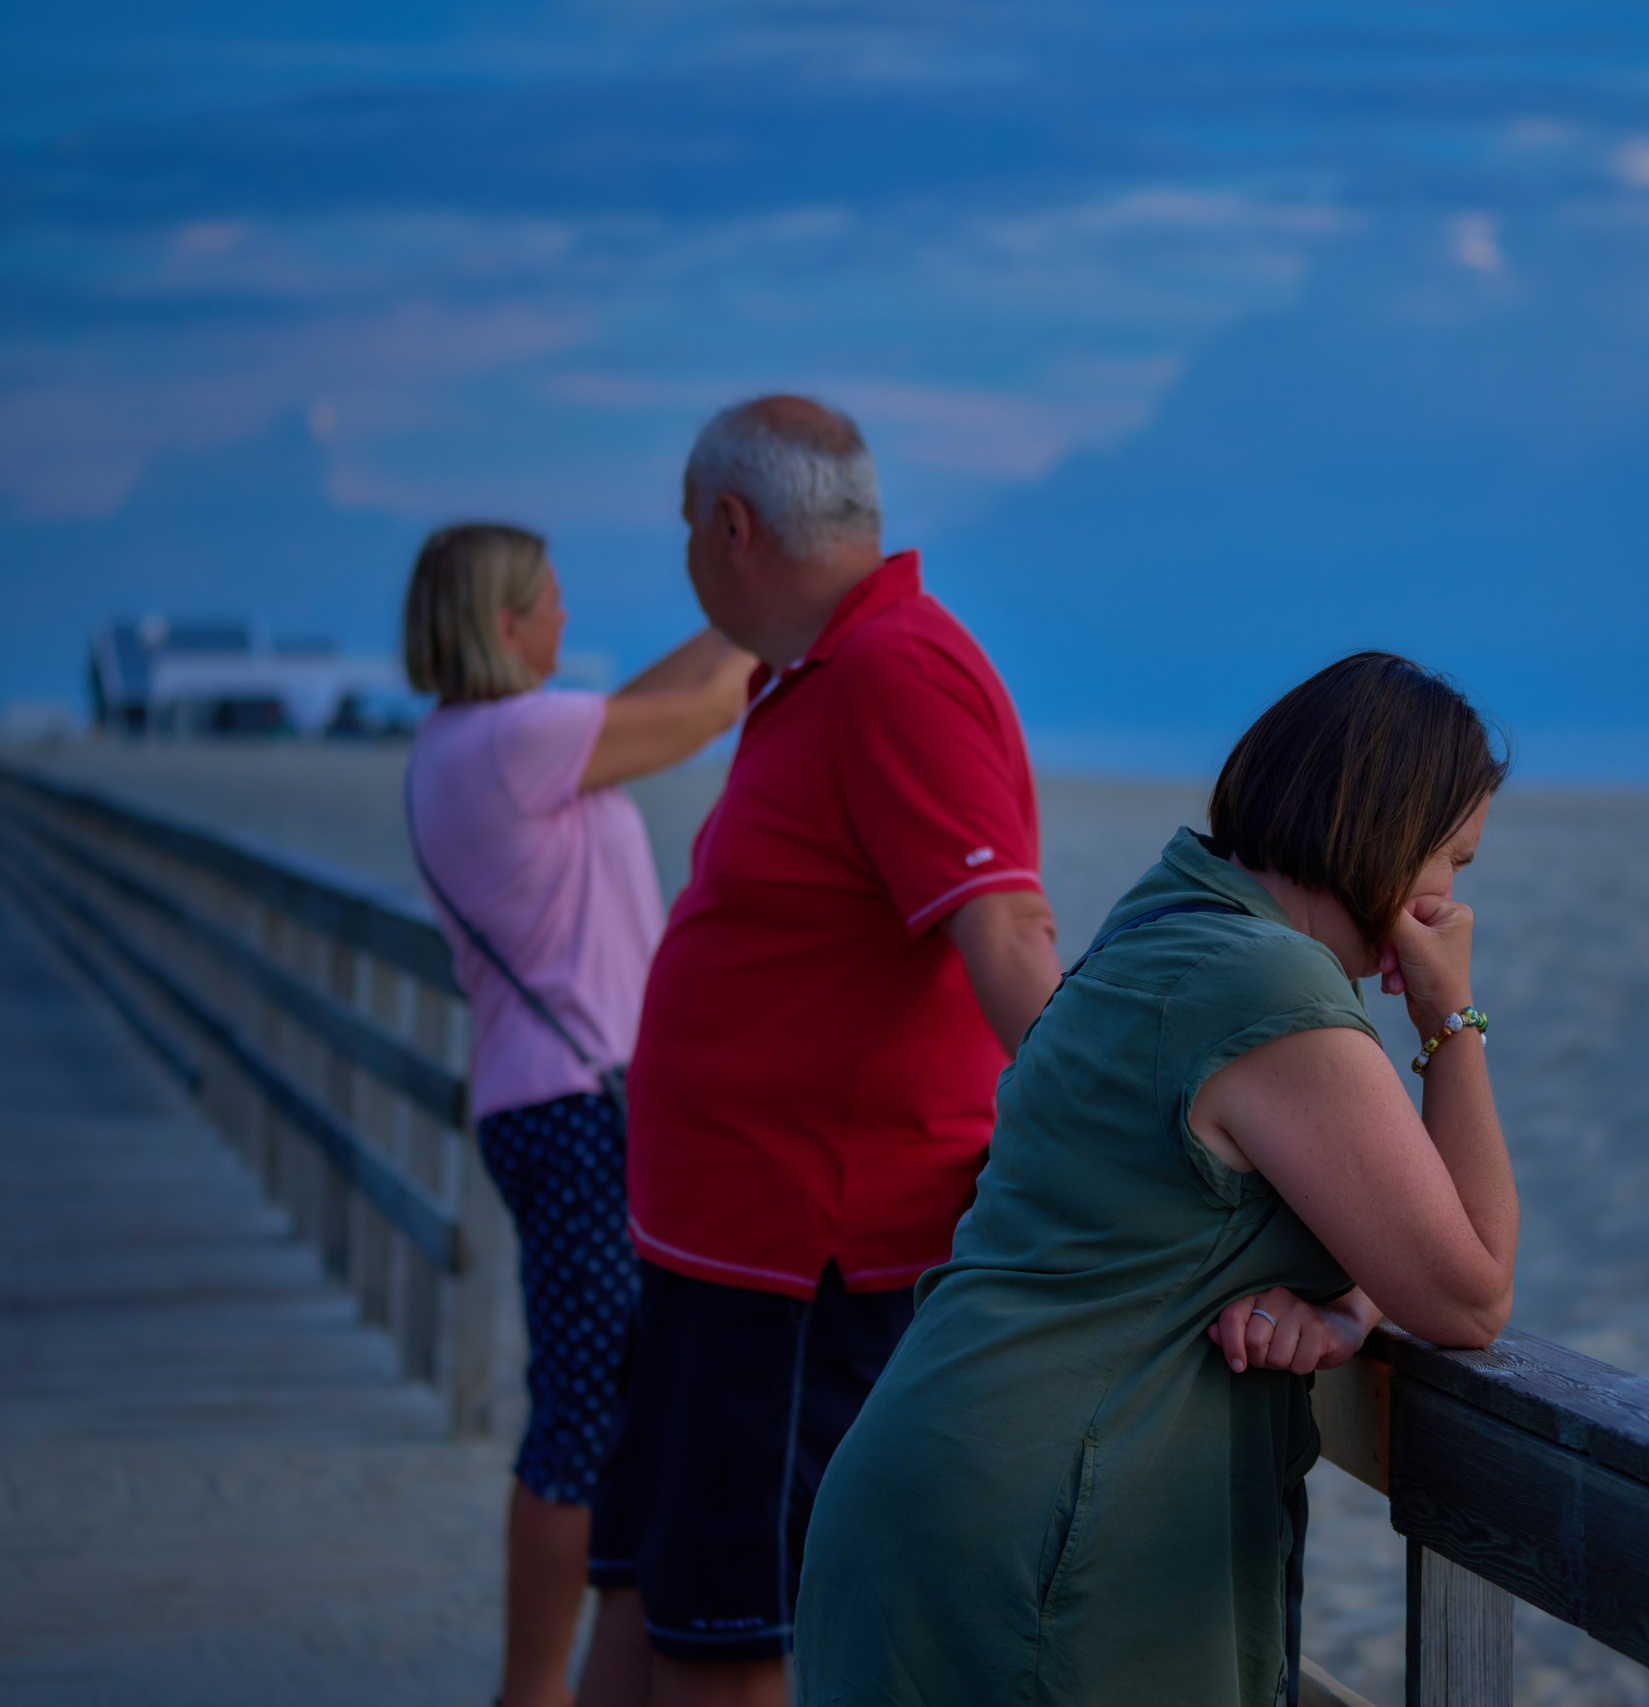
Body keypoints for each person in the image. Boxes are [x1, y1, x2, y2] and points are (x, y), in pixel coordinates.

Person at [794, 651, 1518, 1707]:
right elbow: (1470, 1292)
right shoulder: (1268, 989)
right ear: (1387, 830)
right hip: (1036, 1531)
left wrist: (1350, 1301)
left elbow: (1245, 1218)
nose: (1452, 897)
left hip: (933, 1479)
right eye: (1453, 858)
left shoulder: (1162, 926)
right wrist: (1450, 1022)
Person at [601, 396, 1063, 1707]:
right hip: (717, 1244)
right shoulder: (818, 668)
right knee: (652, 1583)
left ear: (734, 526)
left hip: (799, 1261)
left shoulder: (896, 669)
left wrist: (1133, 1141)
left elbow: (1011, 933)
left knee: (732, 1632)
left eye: (692, 528)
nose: (689, 553)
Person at [400, 523, 755, 1707]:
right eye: (548, 603)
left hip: (542, 1106)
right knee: (578, 1412)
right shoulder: (519, 741)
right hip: (576, 1115)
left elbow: (649, 694)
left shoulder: (465, 741)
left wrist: (755, 594)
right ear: (505, 625)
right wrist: (801, 608)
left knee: (596, 1395)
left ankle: (563, 1674)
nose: (565, 618)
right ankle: (530, 1691)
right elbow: (703, 715)